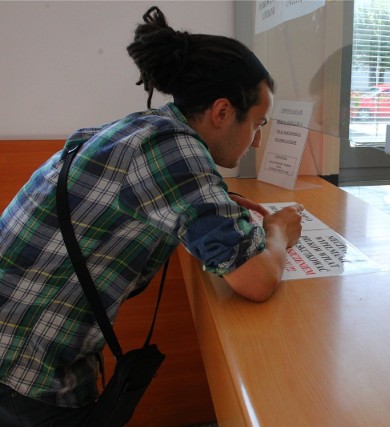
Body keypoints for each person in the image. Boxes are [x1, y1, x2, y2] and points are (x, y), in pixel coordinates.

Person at [0, 6, 303, 425]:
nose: (255, 141)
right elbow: (256, 280)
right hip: (24, 372)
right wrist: (278, 232)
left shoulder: (145, 129)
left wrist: (216, 201)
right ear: (221, 112)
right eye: (257, 123)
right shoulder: (176, 152)